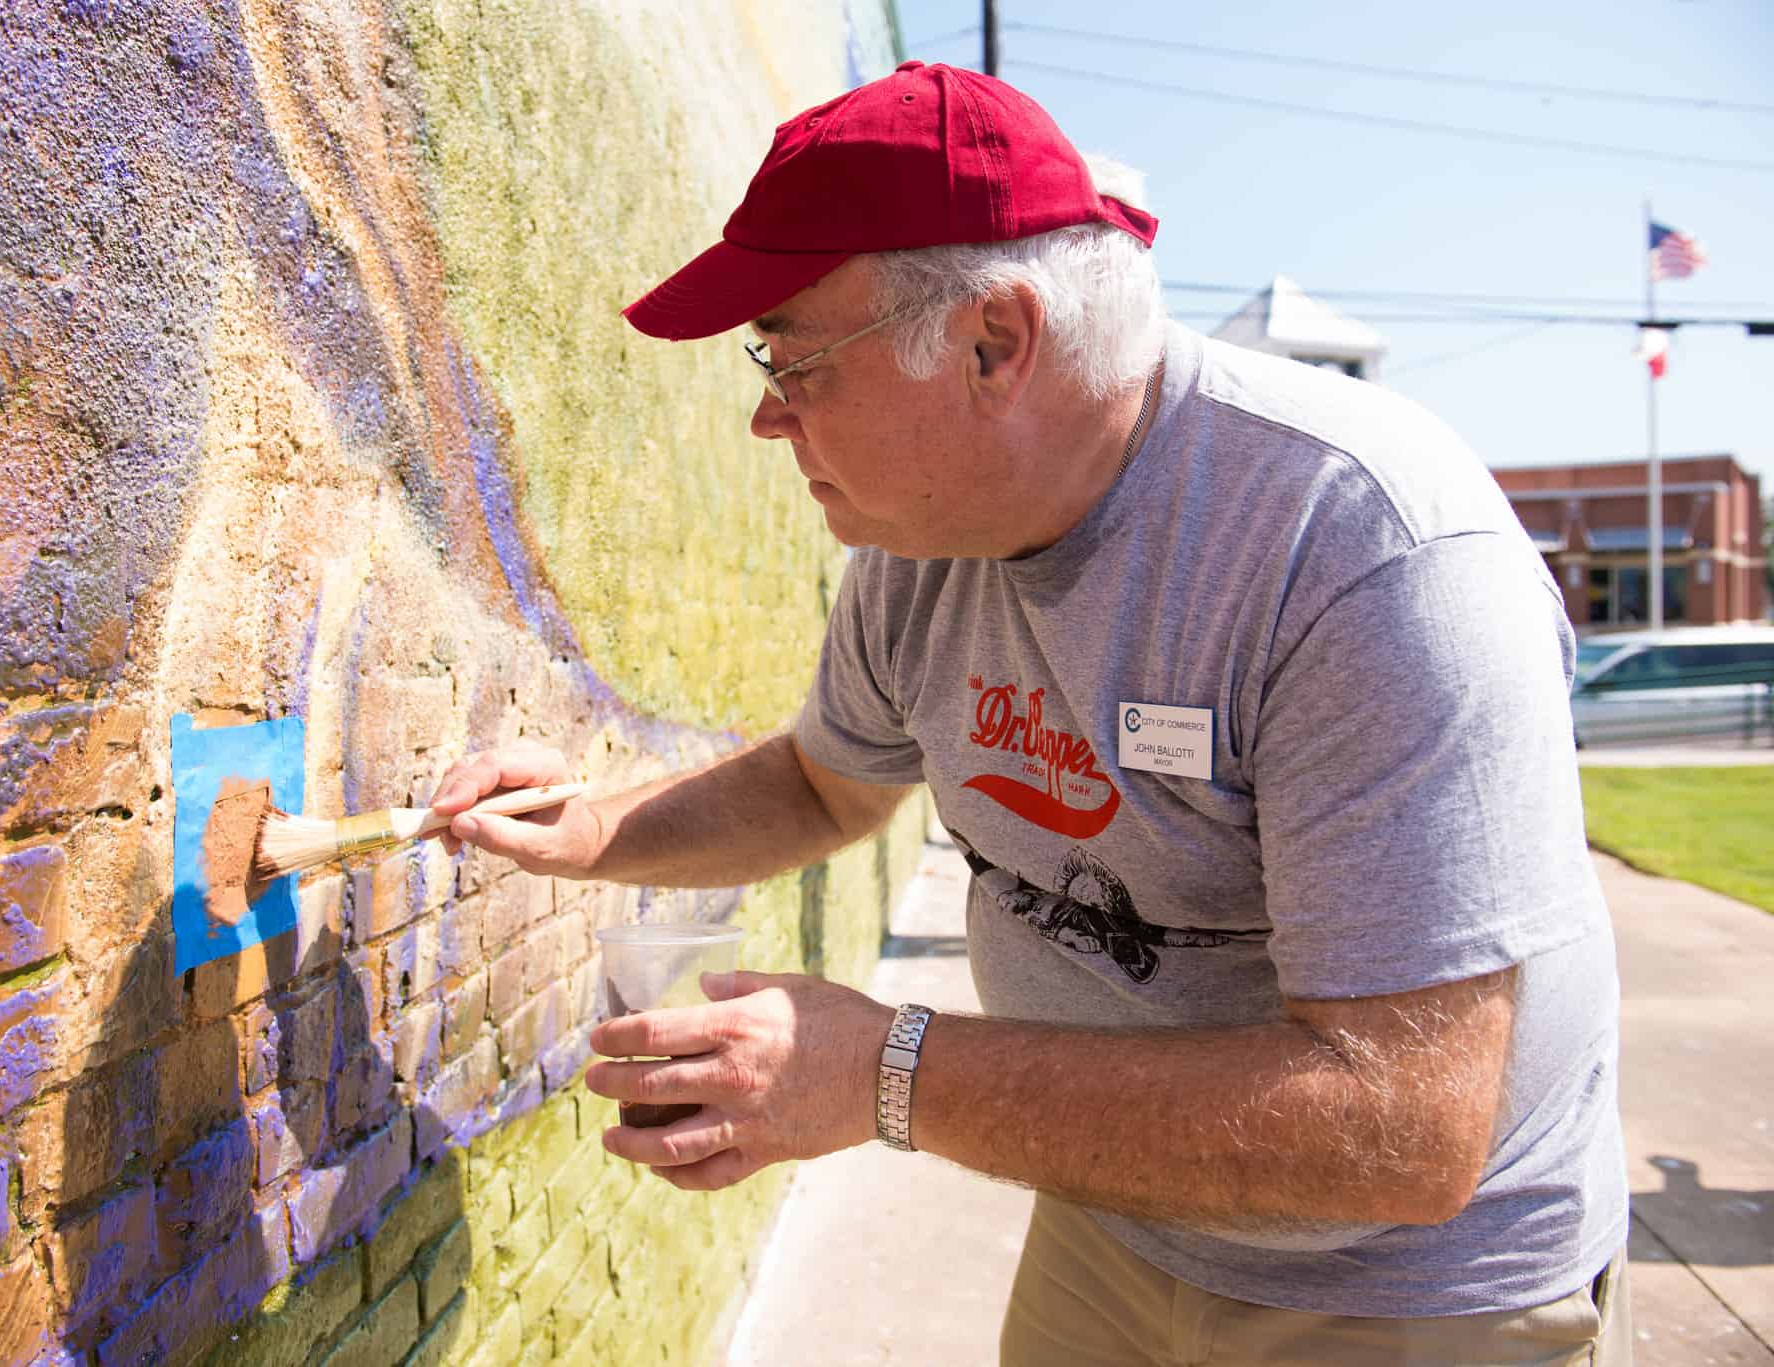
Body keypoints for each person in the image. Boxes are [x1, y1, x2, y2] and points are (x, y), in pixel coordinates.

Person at [429, 60, 1630, 1365]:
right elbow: (825, 784)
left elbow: (1401, 1126)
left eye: (797, 357)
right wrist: (590, 828)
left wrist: (882, 1072)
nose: (768, 416)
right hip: (1121, 1228)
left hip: (1408, 1288)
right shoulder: (923, 543)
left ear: (996, 344)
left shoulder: (1360, 549)